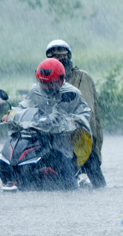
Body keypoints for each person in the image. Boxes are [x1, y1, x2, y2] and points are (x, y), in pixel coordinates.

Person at [1, 58, 92, 190]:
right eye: (42, 82)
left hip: (63, 144)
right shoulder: (36, 90)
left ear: (61, 80)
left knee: (63, 166)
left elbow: (85, 114)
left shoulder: (71, 94)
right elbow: (24, 106)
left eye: (50, 84)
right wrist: (11, 114)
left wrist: (73, 122)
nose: (45, 87)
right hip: (41, 140)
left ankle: (72, 189)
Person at [45, 39, 106, 188]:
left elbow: (85, 110)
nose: (59, 59)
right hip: (57, 137)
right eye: (54, 57)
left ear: (68, 57)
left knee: (94, 174)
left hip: (83, 136)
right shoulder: (47, 80)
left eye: (62, 56)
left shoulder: (81, 77)